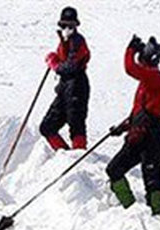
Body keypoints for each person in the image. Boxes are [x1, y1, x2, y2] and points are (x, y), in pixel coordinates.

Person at [106, 35, 160, 215]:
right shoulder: (146, 81)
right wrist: (122, 127)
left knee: (152, 181)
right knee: (114, 169)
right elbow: (139, 113)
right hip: (138, 134)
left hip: (152, 136)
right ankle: (131, 210)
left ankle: (155, 217)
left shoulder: (156, 77)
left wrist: (130, 50)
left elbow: (129, 68)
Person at [38, 7, 91, 151]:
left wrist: (54, 64)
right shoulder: (64, 41)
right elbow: (63, 61)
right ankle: (65, 155)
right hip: (64, 86)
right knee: (47, 127)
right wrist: (55, 58)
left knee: (76, 123)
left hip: (77, 84)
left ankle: (78, 156)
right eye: (63, 25)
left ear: (76, 26)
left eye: (70, 25)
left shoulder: (78, 41)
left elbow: (71, 66)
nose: (66, 28)